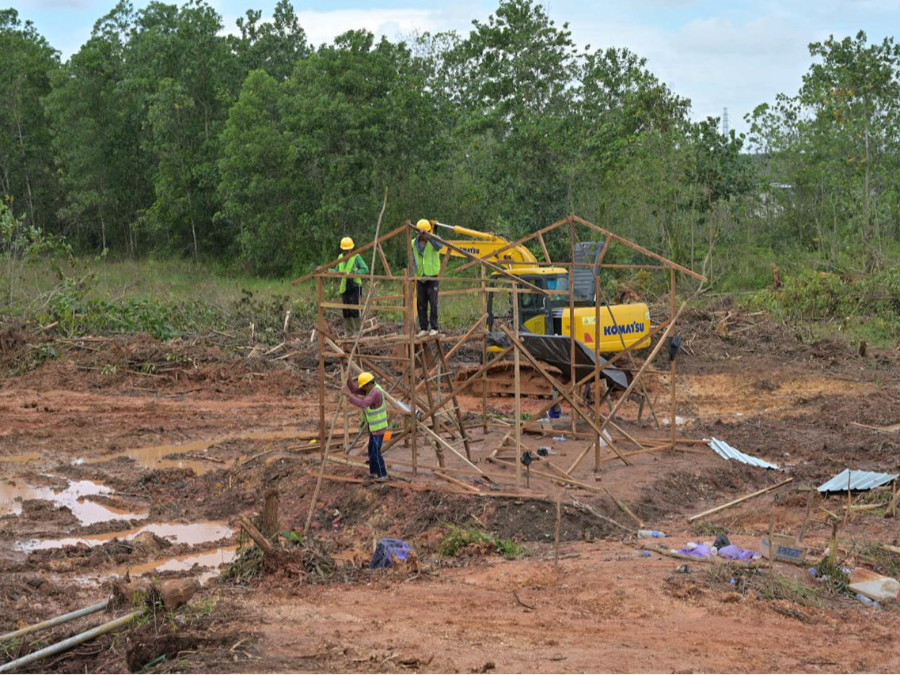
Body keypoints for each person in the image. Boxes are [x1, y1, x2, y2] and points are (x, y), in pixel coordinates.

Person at [347, 371, 389, 483]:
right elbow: (355, 390)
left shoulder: (375, 393)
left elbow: (363, 404)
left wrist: (349, 397)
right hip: (374, 428)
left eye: (363, 387)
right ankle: (373, 472)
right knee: (371, 451)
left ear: (369, 384)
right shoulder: (371, 389)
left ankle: (383, 474)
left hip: (379, 429)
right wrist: (348, 381)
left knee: (376, 452)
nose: (363, 389)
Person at [330, 237, 369, 335]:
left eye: (349, 249)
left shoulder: (356, 257)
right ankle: (349, 332)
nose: (347, 251)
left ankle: (357, 332)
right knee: (346, 310)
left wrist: (354, 273)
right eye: (346, 250)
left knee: (355, 309)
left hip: (355, 286)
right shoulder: (340, 257)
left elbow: (365, 269)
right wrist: (327, 271)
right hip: (345, 286)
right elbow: (337, 270)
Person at [412, 219, 441, 337]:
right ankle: (423, 328)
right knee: (421, 303)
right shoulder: (413, 243)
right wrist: (413, 274)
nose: (423, 236)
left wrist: (430, 237)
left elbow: (440, 246)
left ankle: (434, 327)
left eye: (425, 233)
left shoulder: (434, 240)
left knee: (433, 302)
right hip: (420, 276)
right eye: (422, 233)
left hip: (432, 276)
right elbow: (413, 260)